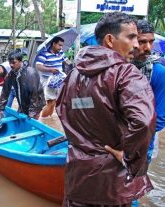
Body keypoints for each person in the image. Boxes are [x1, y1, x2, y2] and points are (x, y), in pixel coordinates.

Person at [56, 12, 156, 206]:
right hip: (113, 186)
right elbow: (144, 122)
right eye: (131, 37)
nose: (136, 45)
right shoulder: (126, 73)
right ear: (110, 40)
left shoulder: (73, 74)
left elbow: (62, 111)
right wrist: (130, 159)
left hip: (77, 179)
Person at [132, 20, 165, 162]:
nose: (148, 48)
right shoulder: (118, 68)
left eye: (151, 42)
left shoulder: (158, 72)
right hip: (113, 143)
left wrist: (129, 138)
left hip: (142, 145)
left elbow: (160, 118)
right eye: (142, 42)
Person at [0, 50, 45, 120]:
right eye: (10, 63)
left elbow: (34, 95)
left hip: (36, 104)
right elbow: (5, 91)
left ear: (20, 61)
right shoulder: (12, 74)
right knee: (21, 118)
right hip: (23, 102)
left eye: (14, 63)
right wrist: (1, 109)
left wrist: (32, 112)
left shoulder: (31, 73)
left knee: (32, 122)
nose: (11, 65)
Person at [35, 36, 71, 118]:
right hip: (48, 80)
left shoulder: (60, 52)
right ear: (54, 44)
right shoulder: (44, 53)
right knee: (50, 102)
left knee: (57, 101)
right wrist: (50, 69)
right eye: (59, 45)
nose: (61, 47)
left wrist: (72, 64)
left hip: (59, 79)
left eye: (62, 45)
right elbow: (38, 66)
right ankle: (43, 121)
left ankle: (49, 120)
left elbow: (67, 61)